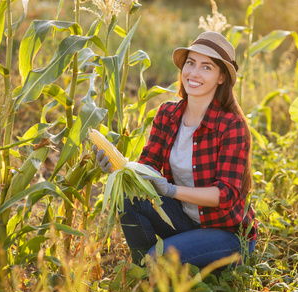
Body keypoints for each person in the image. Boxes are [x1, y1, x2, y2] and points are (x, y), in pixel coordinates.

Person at [95, 31, 257, 268]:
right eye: (190, 63)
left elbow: (226, 194)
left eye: (206, 67)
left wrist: (170, 190)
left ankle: (158, 268)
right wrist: (116, 170)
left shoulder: (231, 125)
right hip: (184, 221)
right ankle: (146, 274)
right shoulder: (168, 114)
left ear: (221, 77)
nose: (193, 73)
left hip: (227, 234)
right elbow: (146, 167)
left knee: (156, 260)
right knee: (129, 196)